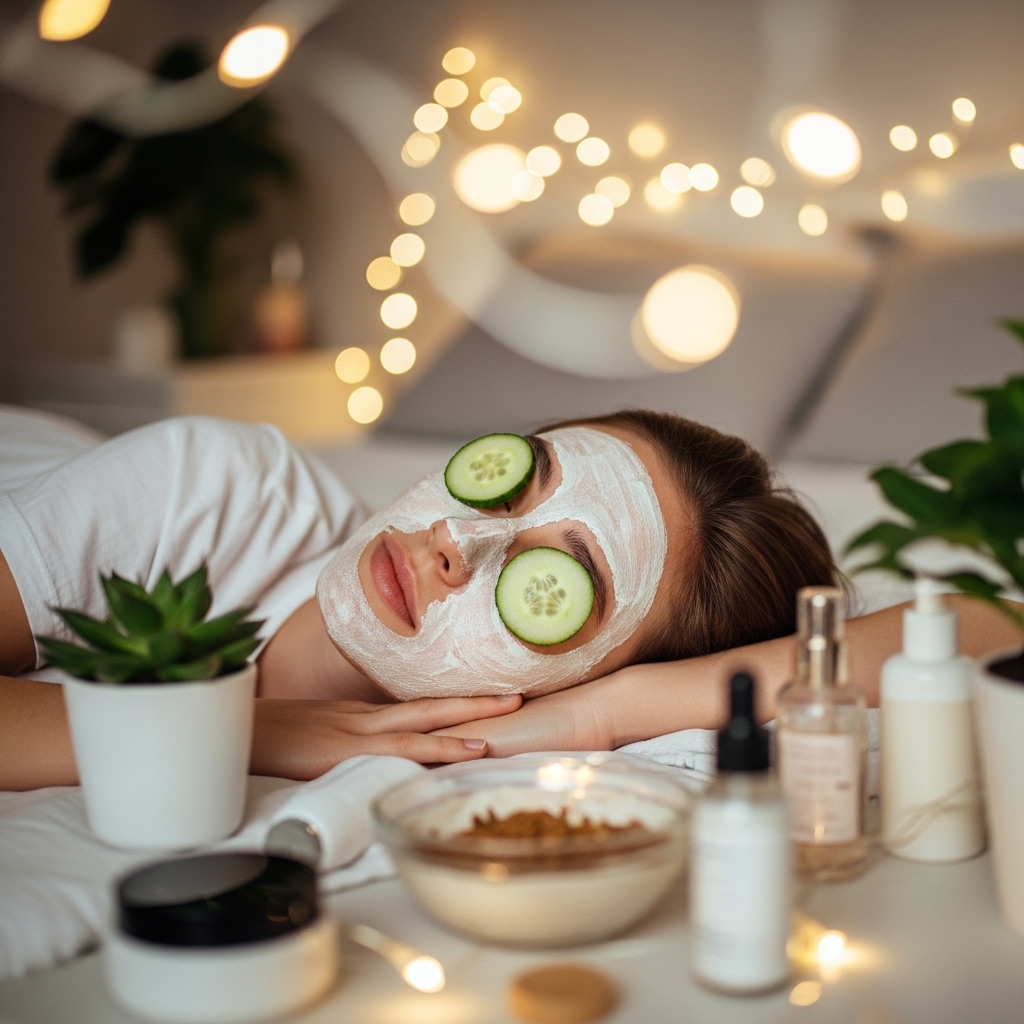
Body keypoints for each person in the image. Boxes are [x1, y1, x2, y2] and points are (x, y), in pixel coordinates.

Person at [1, 406, 1018, 790]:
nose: (455, 539)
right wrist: (255, 731)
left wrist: (603, 711)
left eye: (554, 577)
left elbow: (985, 623)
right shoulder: (210, 485)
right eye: (512, 477)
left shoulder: (595, 695)